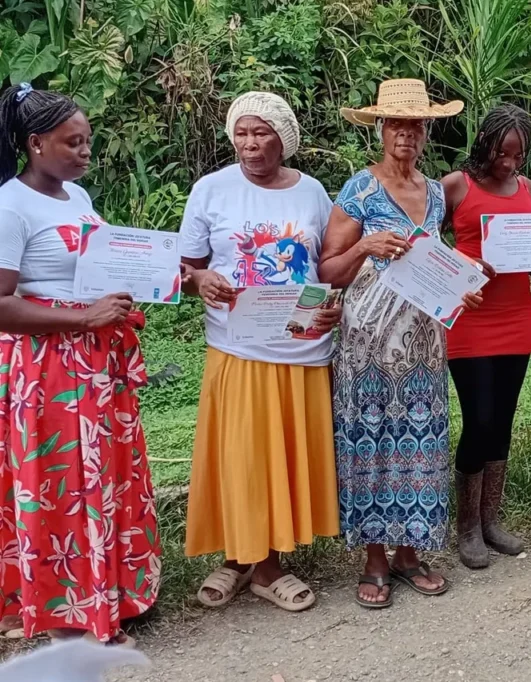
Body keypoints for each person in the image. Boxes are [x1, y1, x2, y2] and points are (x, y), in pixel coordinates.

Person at [0, 84, 160, 645]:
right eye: (74, 142)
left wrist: (127, 290)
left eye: (89, 140)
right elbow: (0, 304)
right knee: (63, 480)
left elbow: (92, 269)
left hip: (94, 364)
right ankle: (68, 611)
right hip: (49, 369)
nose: (86, 150)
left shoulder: (78, 197)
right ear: (36, 142)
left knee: (106, 476)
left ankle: (110, 593)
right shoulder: (10, 207)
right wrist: (82, 318)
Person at [321, 79, 480, 608]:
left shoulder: (435, 192)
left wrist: (465, 284)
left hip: (423, 343)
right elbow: (329, 269)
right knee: (370, 442)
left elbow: (437, 263)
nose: (406, 133)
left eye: (416, 124)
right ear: (381, 129)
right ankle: (373, 558)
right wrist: (366, 243)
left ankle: (410, 553)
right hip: (366, 339)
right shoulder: (359, 190)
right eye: (396, 124)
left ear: (426, 131)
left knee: (421, 441)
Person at [180, 92, 341, 613]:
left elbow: (327, 268)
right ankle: (240, 555)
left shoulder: (313, 193)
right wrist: (202, 279)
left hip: (300, 346)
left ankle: (266, 565)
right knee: (243, 455)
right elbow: (183, 269)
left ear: (284, 139)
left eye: (262, 133)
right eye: (242, 134)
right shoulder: (211, 191)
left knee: (284, 457)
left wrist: (332, 307)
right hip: (238, 346)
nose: (250, 145)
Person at [441, 104, 531, 568]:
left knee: (501, 422)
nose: (510, 163)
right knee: (477, 421)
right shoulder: (456, 185)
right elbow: (425, 240)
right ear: (484, 143)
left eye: (518, 155)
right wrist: (462, 265)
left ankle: (491, 521)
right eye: (502, 153)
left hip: (517, 314)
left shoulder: (528, 188)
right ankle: (466, 528)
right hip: (470, 318)